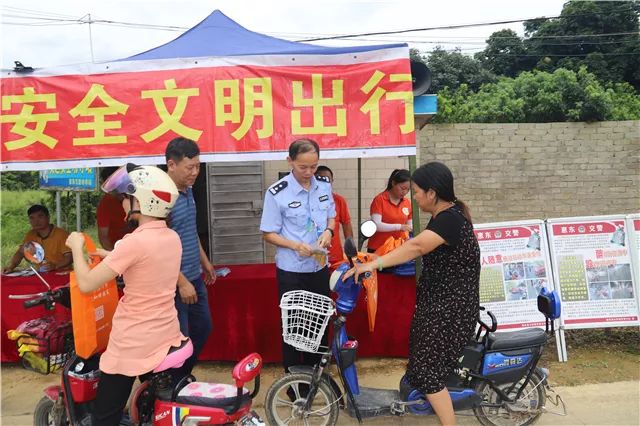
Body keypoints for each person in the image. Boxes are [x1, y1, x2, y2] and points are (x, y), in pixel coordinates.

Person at [345, 162, 480, 426]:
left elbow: (416, 246)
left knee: (429, 374)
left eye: (416, 191)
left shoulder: (450, 219)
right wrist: (374, 256)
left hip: (451, 310)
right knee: (418, 367)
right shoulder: (442, 217)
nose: (413, 197)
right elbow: (412, 247)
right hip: (437, 306)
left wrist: (374, 264)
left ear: (432, 193)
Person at [65, 164, 185, 426]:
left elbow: (85, 284)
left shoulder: (134, 242)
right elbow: (144, 262)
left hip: (134, 341)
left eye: (126, 198)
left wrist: (76, 246)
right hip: (164, 331)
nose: (122, 204)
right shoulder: (171, 237)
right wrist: (106, 255)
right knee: (151, 405)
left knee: (105, 416)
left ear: (141, 201)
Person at [260, 139, 336, 374]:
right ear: (290, 161)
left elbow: (332, 216)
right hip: (292, 271)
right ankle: (296, 385)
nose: (309, 173)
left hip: (319, 267)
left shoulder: (323, 185)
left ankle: (317, 378)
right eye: (303, 167)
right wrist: (295, 245)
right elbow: (268, 234)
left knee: (320, 323)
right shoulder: (277, 193)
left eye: (313, 167)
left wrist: (328, 231)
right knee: (294, 327)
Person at [165, 137, 215, 379]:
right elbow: (157, 247)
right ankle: (170, 386)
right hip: (174, 284)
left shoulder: (188, 190)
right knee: (179, 339)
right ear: (171, 165)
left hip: (194, 276)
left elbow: (189, 230)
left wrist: (205, 262)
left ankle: (181, 377)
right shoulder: (162, 197)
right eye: (190, 168)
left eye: (197, 166)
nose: (195, 172)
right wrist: (181, 281)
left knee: (203, 328)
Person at [3, 205, 72, 273]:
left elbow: (69, 257)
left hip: (62, 274)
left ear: (48, 217)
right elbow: (21, 252)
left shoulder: (62, 234)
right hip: (40, 274)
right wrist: (11, 266)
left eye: (40, 216)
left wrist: (55, 266)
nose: (36, 221)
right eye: (32, 218)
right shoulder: (31, 234)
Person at [315, 165, 353, 267]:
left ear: (332, 181)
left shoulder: (339, 200)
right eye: (320, 179)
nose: (324, 183)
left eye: (327, 180)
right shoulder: (307, 202)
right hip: (313, 256)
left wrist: (350, 248)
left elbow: (346, 225)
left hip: (336, 256)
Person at [367, 169, 413, 253]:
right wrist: (400, 227)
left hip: (398, 249)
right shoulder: (380, 199)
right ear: (393, 183)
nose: (405, 192)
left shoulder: (407, 203)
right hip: (378, 248)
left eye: (408, 190)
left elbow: (410, 225)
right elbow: (376, 225)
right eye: (402, 188)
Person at [96, 167, 129, 250]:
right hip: (117, 249)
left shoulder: (137, 196)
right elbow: (103, 237)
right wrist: (113, 256)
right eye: (111, 187)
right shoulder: (106, 203)